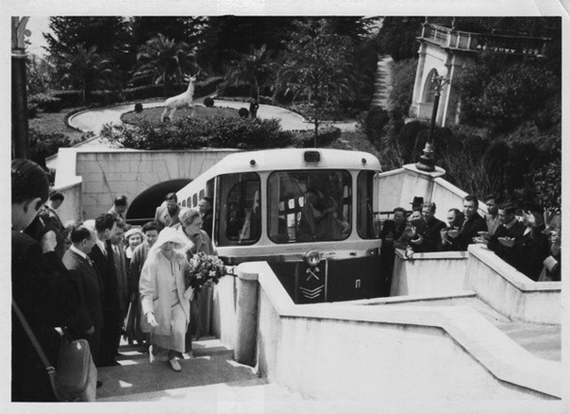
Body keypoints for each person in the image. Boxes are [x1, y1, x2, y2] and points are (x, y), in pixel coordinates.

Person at [12, 159, 80, 401]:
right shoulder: (20, 247)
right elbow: (67, 308)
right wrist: (49, 249)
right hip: (20, 374)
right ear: (33, 204)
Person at [140, 227, 193, 372]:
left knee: (178, 330)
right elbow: (146, 289)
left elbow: (190, 275)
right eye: (165, 242)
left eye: (171, 242)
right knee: (161, 333)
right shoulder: (152, 261)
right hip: (161, 303)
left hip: (179, 301)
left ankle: (172, 356)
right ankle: (157, 353)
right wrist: (149, 311)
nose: (168, 246)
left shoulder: (181, 257)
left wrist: (201, 279)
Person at [62, 225, 104, 367]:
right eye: (94, 239)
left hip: (93, 317)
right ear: (84, 242)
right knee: (87, 360)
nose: (95, 242)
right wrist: (86, 324)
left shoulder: (80, 256)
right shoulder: (72, 265)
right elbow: (75, 300)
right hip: (86, 325)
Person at [178, 208, 217, 352]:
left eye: (201, 223)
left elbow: (213, 256)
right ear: (186, 225)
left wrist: (211, 275)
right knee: (187, 316)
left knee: (197, 317)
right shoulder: (175, 239)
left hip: (201, 286)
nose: (201, 226)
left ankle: (190, 345)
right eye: (197, 224)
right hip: (183, 286)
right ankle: (185, 349)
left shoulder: (204, 236)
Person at [89, 213, 121, 366]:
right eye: (114, 229)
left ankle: (111, 355)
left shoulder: (107, 243)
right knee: (104, 329)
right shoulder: (91, 248)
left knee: (113, 326)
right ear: (107, 231)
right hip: (101, 298)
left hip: (111, 296)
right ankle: (104, 359)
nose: (115, 232)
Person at [127, 221, 160, 349]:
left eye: (153, 236)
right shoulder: (139, 250)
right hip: (144, 289)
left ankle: (159, 341)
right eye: (148, 236)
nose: (151, 239)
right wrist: (135, 290)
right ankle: (146, 342)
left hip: (161, 287)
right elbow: (133, 271)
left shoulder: (163, 247)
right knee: (145, 316)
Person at [110, 220, 130, 344]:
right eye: (117, 234)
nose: (120, 237)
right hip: (114, 294)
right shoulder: (107, 249)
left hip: (123, 293)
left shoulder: (119, 247)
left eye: (121, 234)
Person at [38, 191, 69, 259]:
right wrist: (68, 229)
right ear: (58, 201)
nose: (60, 205)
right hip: (56, 250)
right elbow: (58, 237)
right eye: (60, 203)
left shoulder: (45, 210)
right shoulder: (49, 215)